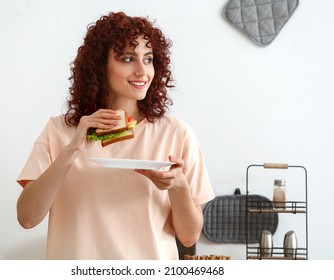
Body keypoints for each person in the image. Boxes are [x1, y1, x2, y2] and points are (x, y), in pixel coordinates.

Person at [16, 11, 214, 260]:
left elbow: (189, 236)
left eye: (149, 58)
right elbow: (26, 218)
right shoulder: (59, 130)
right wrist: (72, 149)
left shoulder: (176, 133)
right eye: (128, 58)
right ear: (101, 66)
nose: (143, 71)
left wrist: (178, 186)